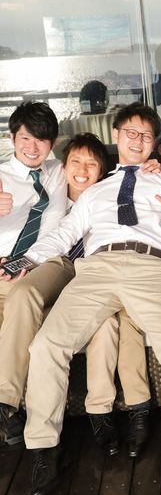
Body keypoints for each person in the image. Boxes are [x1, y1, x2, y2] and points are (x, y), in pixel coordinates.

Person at [12, 103, 161, 495]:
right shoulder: (96, 191)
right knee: (47, 345)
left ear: (153, 143)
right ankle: (43, 449)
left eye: (146, 135)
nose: (137, 140)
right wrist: (25, 260)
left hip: (152, 268)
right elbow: (65, 234)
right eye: (130, 132)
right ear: (117, 136)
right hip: (97, 269)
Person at [84, 124, 161, 457]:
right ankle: (137, 410)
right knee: (124, 323)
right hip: (136, 275)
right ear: (160, 148)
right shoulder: (137, 179)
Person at [0, 102, 67, 445]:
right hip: (2, 267)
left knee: (24, 296)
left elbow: (96, 166)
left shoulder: (60, 170)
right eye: (25, 138)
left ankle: (4, 404)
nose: (32, 147)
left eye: (41, 140)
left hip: (46, 262)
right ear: (12, 138)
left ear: (51, 143)